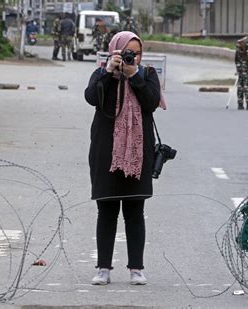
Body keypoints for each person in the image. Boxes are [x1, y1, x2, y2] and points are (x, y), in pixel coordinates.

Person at [84, 31, 164, 286]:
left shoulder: (148, 74)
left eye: (136, 53)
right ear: (114, 52)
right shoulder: (101, 73)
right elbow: (91, 98)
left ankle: (136, 269)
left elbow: (151, 103)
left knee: (134, 211)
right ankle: (103, 268)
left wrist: (134, 76)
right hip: (106, 152)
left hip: (137, 154)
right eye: (126, 52)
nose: (132, 57)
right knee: (106, 211)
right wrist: (110, 73)